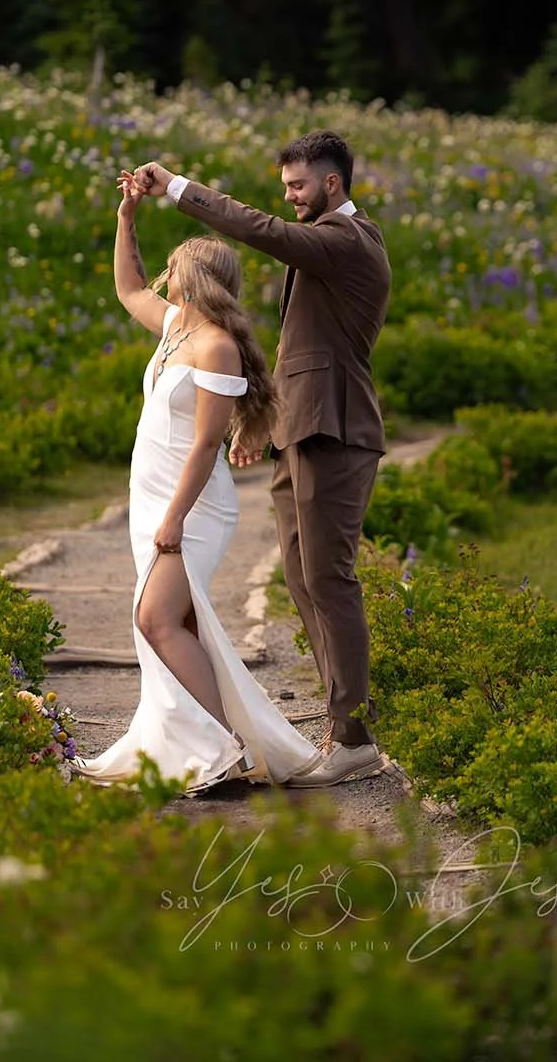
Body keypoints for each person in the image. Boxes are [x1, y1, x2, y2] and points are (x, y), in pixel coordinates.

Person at [127, 130, 392, 788]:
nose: (290, 199)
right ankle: (342, 724)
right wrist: (263, 418)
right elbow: (301, 354)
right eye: (285, 189)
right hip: (304, 428)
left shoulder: (348, 240)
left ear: (332, 184)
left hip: (337, 429)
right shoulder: (328, 243)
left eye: (298, 187)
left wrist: (180, 188)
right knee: (303, 577)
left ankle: (353, 736)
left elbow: (264, 232)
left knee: (329, 577)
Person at [67, 173, 320, 794]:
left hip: (194, 505)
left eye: (172, 270)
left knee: (156, 619)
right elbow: (128, 287)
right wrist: (126, 219)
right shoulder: (176, 326)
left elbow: (207, 442)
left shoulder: (216, 347)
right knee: (170, 623)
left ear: (194, 277)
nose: (163, 279)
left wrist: (176, 518)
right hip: (149, 497)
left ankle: (222, 748)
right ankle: (207, 745)